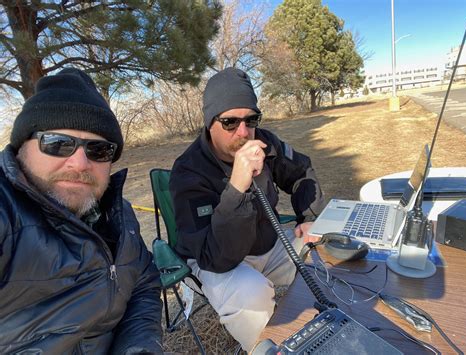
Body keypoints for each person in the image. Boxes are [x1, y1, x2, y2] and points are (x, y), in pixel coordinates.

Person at [0, 68, 163, 354]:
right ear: (20, 147)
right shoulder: (7, 214)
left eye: (98, 150)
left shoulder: (117, 214)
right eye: (57, 143)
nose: (80, 163)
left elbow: (143, 284)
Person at [170, 67, 324, 351]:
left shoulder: (265, 143)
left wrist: (309, 218)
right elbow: (215, 257)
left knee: (324, 253)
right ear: (209, 123)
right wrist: (236, 188)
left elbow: (302, 171)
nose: (243, 133)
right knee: (251, 293)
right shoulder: (188, 172)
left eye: (251, 119)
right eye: (229, 122)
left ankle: (330, 332)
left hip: (268, 243)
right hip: (212, 260)